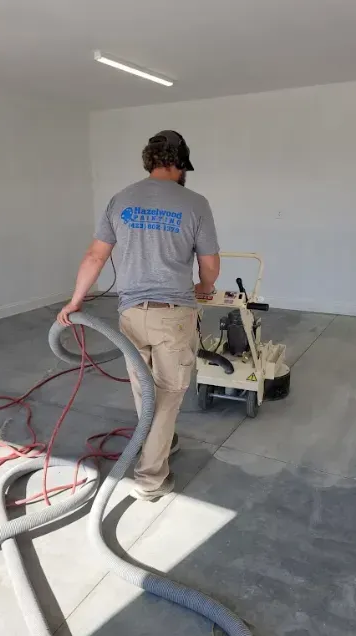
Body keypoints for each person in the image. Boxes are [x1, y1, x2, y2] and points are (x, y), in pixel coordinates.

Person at [58, 130, 220, 500]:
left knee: (145, 389)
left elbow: (95, 256)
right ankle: (150, 479)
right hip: (173, 316)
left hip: (130, 315)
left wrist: (75, 302)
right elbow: (209, 264)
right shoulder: (195, 203)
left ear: (149, 160)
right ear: (179, 164)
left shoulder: (121, 199)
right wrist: (204, 288)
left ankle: (162, 441)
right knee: (169, 393)